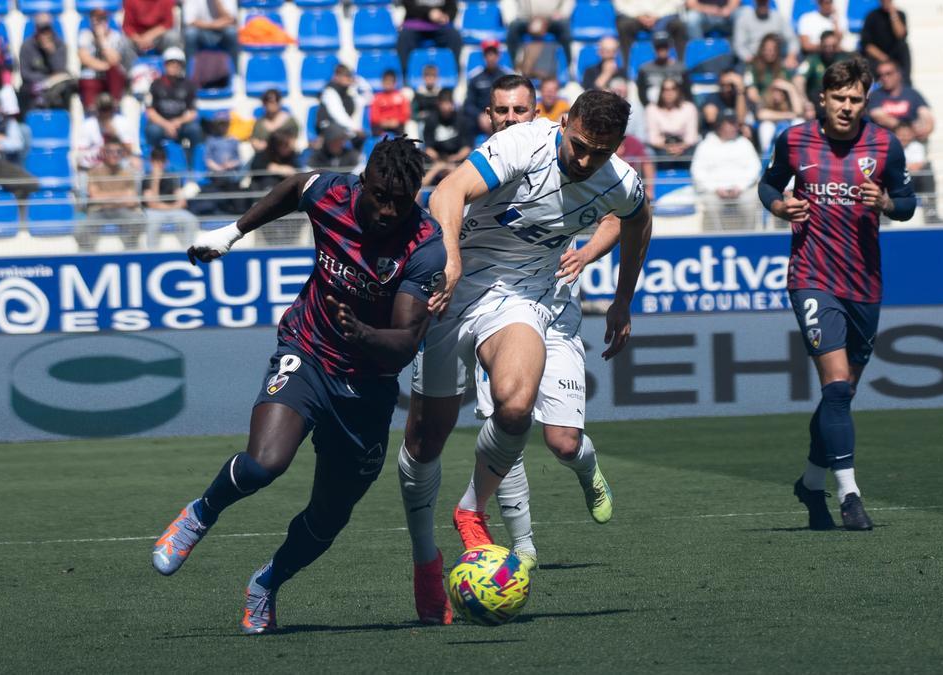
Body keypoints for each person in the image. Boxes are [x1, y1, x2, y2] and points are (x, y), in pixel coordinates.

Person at [151, 137, 446, 635]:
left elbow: (406, 342)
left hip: (368, 387)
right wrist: (232, 232)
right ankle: (201, 513)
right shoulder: (332, 194)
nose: (386, 210)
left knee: (329, 518)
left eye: (399, 201)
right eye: (378, 195)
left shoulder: (424, 245)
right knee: (265, 462)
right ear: (362, 182)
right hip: (307, 351)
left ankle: (268, 582)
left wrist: (365, 334)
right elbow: (294, 187)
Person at [400, 89, 652, 624]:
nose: (585, 161)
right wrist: (449, 259)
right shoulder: (523, 143)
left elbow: (637, 220)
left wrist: (624, 298)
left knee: (514, 408)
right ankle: (427, 561)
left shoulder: (619, 181)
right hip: (451, 289)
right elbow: (448, 192)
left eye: (600, 153)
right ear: (564, 123)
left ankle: (471, 509)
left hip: (519, 297)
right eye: (580, 145)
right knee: (425, 443)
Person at [453, 74, 627, 570]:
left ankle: (587, 467)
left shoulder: (576, 153)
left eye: (520, 111)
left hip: (557, 308)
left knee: (562, 440)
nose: (510, 119)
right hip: (497, 308)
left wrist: (589, 251)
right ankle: (523, 550)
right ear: (489, 116)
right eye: (501, 112)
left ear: (542, 115)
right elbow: (445, 204)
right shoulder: (487, 163)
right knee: (506, 421)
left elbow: (621, 213)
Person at [757, 57, 916, 532]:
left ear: (866, 101)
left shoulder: (885, 144)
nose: (846, 107)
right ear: (822, 99)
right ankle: (850, 494)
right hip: (812, 275)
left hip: (865, 282)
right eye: (839, 98)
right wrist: (780, 206)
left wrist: (886, 201)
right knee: (837, 387)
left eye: (855, 100)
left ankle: (810, 482)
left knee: (839, 398)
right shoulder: (794, 139)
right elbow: (768, 184)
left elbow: (907, 204)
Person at [867, 60, 939, 221]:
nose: (884, 78)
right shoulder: (876, 96)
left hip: (911, 147)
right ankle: (882, 213)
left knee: (927, 169)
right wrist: (905, 129)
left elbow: (928, 120)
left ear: (898, 74)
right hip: (885, 151)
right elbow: (878, 116)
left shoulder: (912, 95)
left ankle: (931, 212)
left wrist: (909, 132)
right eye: (881, 75)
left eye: (888, 73)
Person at [692, 114, 763, 230]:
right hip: (714, 192)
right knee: (711, 204)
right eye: (729, 124)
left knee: (751, 202)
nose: (734, 127)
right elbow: (697, 171)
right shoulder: (705, 145)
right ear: (720, 127)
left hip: (742, 190)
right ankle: (717, 239)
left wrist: (740, 187)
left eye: (734, 124)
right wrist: (715, 188)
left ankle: (748, 238)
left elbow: (755, 168)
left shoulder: (744, 143)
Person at [80, 135, 143, 251]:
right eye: (110, 151)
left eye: (118, 151)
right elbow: (95, 198)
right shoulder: (94, 171)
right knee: (80, 230)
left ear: (122, 153)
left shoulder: (128, 173)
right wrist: (122, 196)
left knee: (138, 221)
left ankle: (130, 253)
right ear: (104, 153)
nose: (114, 155)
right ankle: (88, 257)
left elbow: (132, 200)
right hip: (99, 211)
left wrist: (105, 197)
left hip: (122, 210)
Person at [145, 48, 203, 164]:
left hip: (180, 125)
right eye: (171, 63)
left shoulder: (189, 85)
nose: (174, 66)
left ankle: (192, 163)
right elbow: (150, 112)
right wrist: (166, 125)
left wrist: (177, 122)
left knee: (195, 130)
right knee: (152, 131)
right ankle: (155, 162)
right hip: (161, 124)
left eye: (177, 63)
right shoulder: (155, 85)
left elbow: (193, 112)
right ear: (165, 65)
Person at [142, 145, 200, 249]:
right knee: (153, 222)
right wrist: (155, 180)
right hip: (154, 212)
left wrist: (170, 208)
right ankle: (152, 252)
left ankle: (189, 251)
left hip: (172, 210)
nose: (159, 164)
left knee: (191, 219)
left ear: (165, 162)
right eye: (156, 161)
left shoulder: (172, 177)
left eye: (161, 161)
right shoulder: (146, 179)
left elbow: (182, 202)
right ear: (151, 162)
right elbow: (152, 204)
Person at [18, 13, 75, 112]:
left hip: (56, 85)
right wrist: (45, 80)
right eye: (42, 30)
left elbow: (61, 70)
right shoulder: (26, 46)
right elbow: (24, 73)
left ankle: (64, 117)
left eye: (47, 29)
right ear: (36, 30)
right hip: (34, 84)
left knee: (68, 86)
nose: (45, 33)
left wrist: (51, 53)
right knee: (25, 90)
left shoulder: (60, 45)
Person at [78, 8, 131, 112]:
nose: (97, 23)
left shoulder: (116, 36)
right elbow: (84, 59)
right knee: (86, 77)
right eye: (94, 19)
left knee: (116, 71)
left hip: (111, 78)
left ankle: (115, 104)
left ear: (106, 21)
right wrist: (105, 66)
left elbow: (114, 60)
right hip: (92, 75)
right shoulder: (85, 35)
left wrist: (102, 39)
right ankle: (91, 109)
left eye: (101, 19)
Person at [507, 0, 574, 77]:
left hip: (552, 19)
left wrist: (562, 13)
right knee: (513, 27)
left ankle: (569, 67)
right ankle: (515, 68)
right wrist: (515, 17)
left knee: (564, 26)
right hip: (527, 18)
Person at [398, 0, 462, 81]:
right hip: (415, 23)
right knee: (404, 37)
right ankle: (406, 77)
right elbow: (408, 6)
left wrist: (447, 16)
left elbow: (452, 7)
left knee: (454, 37)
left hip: (439, 25)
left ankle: (451, 76)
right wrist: (429, 13)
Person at [76, 93, 141, 171]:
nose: (105, 113)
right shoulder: (88, 124)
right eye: (103, 109)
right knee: (81, 162)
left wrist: (114, 134)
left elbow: (129, 150)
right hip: (96, 161)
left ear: (113, 108)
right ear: (97, 109)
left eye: (108, 109)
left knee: (135, 161)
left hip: (118, 159)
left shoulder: (123, 122)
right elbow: (81, 151)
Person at [421, 89, 472, 186]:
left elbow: (467, 148)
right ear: (438, 104)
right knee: (422, 180)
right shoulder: (430, 120)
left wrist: (453, 159)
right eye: (443, 103)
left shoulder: (462, 120)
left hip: (456, 161)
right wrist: (440, 163)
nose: (446, 107)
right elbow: (428, 149)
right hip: (436, 160)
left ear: (453, 104)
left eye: (448, 103)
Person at [614, 0, 687, 66]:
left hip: (663, 16)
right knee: (624, 26)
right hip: (634, 16)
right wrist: (638, 16)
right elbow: (620, 4)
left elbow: (677, 3)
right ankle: (625, 69)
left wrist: (658, 15)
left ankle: (681, 67)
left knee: (678, 26)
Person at [645, 77, 698, 169]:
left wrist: (680, 147)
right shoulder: (651, 109)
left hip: (685, 147)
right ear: (661, 92)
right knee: (650, 153)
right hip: (661, 148)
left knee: (696, 152)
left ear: (678, 91)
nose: (669, 93)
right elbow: (653, 138)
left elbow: (691, 137)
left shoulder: (689, 108)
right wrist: (668, 147)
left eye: (673, 89)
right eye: (665, 89)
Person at [794, 30, 853, 111]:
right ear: (821, 45)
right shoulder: (812, 60)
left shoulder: (844, 60)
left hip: (840, 100)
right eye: (826, 46)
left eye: (833, 46)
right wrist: (805, 102)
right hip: (817, 101)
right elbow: (798, 79)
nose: (829, 49)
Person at [893, 123, 940, 223]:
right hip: (894, 180)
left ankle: (931, 212)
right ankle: (883, 215)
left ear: (912, 135)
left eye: (907, 134)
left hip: (912, 180)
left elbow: (917, 166)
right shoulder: (889, 146)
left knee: (927, 170)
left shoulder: (917, 146)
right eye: (901, 134)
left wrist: (901, 168)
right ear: (895, 135)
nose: (904, 137)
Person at [464, 40, 511, 135]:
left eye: (493, 54)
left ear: (498, 56)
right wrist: (480, 116)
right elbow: (468, 104)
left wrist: (499, 117)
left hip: (503, 117)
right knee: (466, 122)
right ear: (484, 57)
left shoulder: (508, 76)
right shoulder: (475, 77)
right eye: (488, 54)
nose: (491, 58)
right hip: (481, 119)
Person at [733, 0, 799, 68]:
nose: (762, 5)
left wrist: (791, 56)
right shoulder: (744, 19)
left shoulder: (778, 17)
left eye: (764, 2)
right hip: (753, 59)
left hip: (776, 59)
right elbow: (739, 45)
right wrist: (750, 59)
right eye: (760, 2)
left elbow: (792, 39)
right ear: (755, 2)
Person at [859, 0, 910, 83]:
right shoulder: (872, 16)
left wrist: (893, 15)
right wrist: (885, 58)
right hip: (876, 57)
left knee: (904, 47)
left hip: (896, 57)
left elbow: (901, 35)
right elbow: (866, 45)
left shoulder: (900, 14)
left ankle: (905, 84)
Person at [635, 31, 690, 107]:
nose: (662, 50)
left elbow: (688, 94)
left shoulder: (681, 68)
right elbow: (642, 95)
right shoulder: (644, 69)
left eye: (664, 46)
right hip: (653, 109)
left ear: (669, 47)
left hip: (678, 108)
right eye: (658, 47)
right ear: (654, 48)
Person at [317, 64, 367, 145]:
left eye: (350, 75)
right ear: (336, 77)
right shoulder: (329, 92)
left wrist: (359, 80)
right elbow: (338, 115)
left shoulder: (349, 93)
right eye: (345, 75)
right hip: (328, 128)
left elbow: (368, 98)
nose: (349, 78)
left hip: (343, 129)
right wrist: (356, 128)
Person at [701, 67, 755, 138]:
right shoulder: (712, 98)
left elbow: (741, 119)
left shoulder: (740, 98)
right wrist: (735, 125)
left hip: (735, 137)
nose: (727, 88)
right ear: (719, 83)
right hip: (715, 137)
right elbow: (711, 118)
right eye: (723, 85)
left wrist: (740, 91)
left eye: (731, 85)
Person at [744, 33, 793, 106]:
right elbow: (752, 93)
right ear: (762, 50)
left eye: (773, 49)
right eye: (767, 49)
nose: (770, 52)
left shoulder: (781, 67)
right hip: (761, 106)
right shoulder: (752, 67)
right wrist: (766, 102)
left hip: (780, 106)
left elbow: (787, 89)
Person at [250, 89, 299, 154]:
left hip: (284, 157)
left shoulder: (290, 121)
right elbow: (254, 140)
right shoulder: (259, 122)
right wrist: (259, 146)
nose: (272, 104)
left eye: (275, 101)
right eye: (268, 101)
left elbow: (293, 142)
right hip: (264, 156)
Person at [369, 70, 411, 137]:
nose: (388, 83)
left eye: (390, 81)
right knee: (375, 129)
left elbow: (405, 114)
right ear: (382, 82)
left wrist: (396, 121)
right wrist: (383, 122)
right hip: (381, 125)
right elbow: (373, 116)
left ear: (394, 83)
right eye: (385, 81)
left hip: (397, 125)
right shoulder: (377, 98)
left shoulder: (401, 97)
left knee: (403, 131)